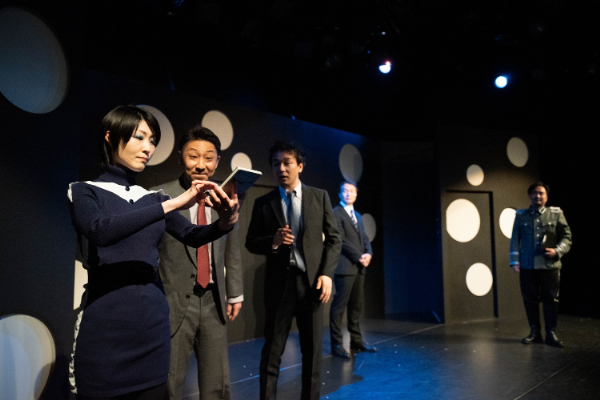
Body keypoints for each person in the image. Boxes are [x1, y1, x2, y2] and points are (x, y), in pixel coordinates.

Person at [67, 105, 240, 400]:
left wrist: (225, 223)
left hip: (152, 329)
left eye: (152, 140)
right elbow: (100, 231)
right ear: (110, 136)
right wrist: (171, 204)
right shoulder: (84, 190)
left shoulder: (152, 198)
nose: (148, 148)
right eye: (140, 137)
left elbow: (192, 235)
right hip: (105, 326)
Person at [152, 126, 243, 400]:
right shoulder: (160, 196)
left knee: (217, 382)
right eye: (193, 156)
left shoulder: (224, 197)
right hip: (174, 301)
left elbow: (231, 249)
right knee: (170, 382)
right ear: (180, 157)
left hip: (214, 300)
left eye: (209, 158)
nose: (201, 165)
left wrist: (235, 292)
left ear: (217, 161)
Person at [245, 141, 341, 400]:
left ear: (300, 166)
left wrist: (326, 274)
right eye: (276, 164)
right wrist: (273, 241)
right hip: (280, 286)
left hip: (313, 285)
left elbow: (334, 239)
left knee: (312, 353)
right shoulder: (263, 202)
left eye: (287, 163)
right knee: (272, 352)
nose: (281, 169)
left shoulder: (319, 197)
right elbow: (251, 242)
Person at [510, 182, 572, 348]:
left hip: (549, 265)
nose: (537, 196)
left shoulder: (556, 214)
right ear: (529, 196)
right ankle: (534, 332)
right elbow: (515, 239)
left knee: (551, 299)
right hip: (528, 265)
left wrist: (557, 251)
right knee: (530, 299)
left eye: (541, 193)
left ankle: (550, 333)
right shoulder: (521, 215)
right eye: (534, 193)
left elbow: (567, 237)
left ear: (546, 196)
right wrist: (515, 261)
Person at [329, 181, 375, 359]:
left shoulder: (357, 215)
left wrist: (369, 253)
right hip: (345, 266)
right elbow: (340, 239)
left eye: (352, 191)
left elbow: (364, 238)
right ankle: (337, 344)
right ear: (340, 193)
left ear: (356, 194)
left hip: (359, 267)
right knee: (339, 307)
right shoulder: (336, 213)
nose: (349, 194)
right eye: (345, 191)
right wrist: (359, 256)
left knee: (356, 306)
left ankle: (356, 341)